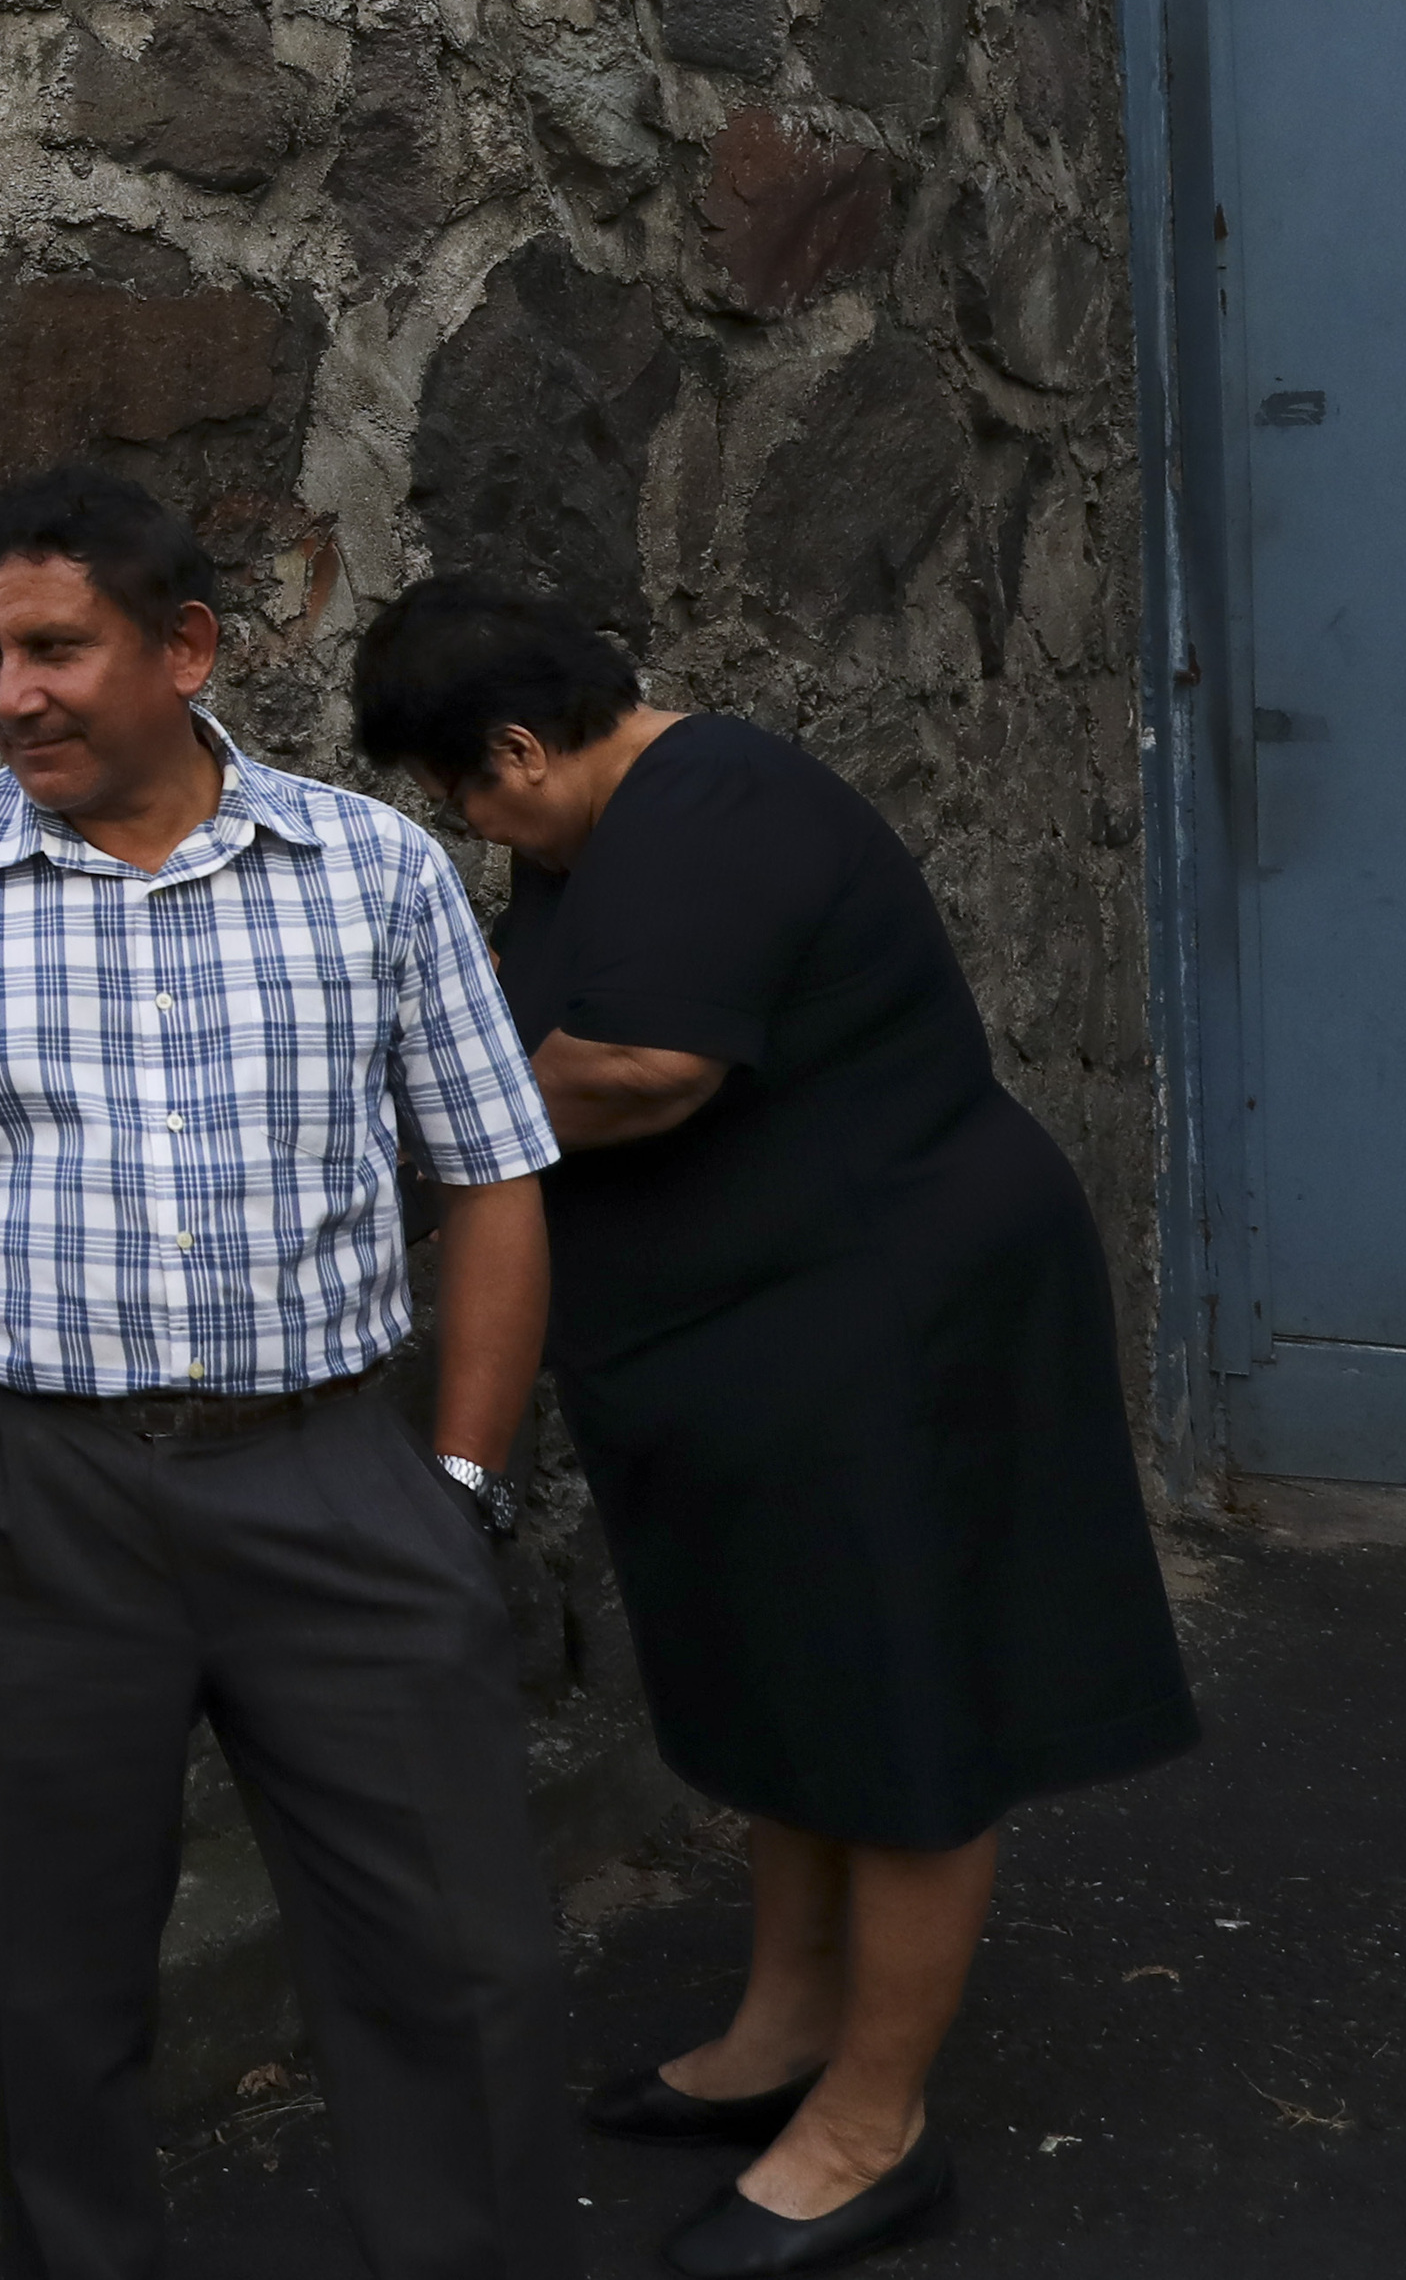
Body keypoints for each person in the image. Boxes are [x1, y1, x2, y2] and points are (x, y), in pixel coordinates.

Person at [352, 580, 1196, 2279]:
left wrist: (399, 1126)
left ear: (516, 747)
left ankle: (872, 2126)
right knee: (779, 1676)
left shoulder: (718, 806)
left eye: (465, 793)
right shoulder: (590, 836)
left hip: (887, 1319)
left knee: (896, 1702)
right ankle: (785, 2031)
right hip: (743, 1342)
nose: (473, 828)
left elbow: (647, 1065)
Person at [0, 468, 578, 2280]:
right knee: (56, 2003)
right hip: (26, 1504)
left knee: (461, 1970)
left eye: (56, 649)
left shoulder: (371, 871)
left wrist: (455, 1483)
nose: (11, 696)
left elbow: (495, 1177)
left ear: (187, 647)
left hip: (332, 1475)